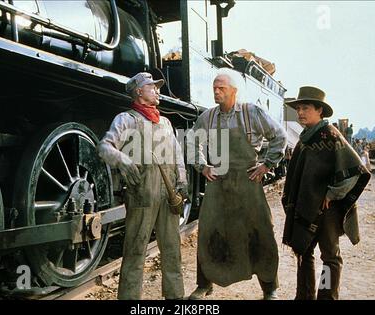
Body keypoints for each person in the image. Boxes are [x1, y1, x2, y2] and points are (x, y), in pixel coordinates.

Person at [186, 68, 287, 300]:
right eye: (214, 88)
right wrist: (202, 167)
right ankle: (203, 285)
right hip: (218, 184)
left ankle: (269, 288)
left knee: (261, 232)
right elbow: (192, 142)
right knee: (209, 232)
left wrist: (267, 165)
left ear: (234, 91)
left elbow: (279, 136)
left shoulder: (251, 113)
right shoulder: (208, 117)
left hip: (248, 182)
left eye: (221, 88)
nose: (216, 91)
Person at [98, 72, 187, 300]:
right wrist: (123, 160)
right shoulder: (126, 119)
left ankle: (175, 299)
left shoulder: (166, 122)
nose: (157, 91)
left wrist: (183, 182)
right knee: (135, 252)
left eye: (157, 87)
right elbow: (104, 147)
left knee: (172, 251)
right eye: (152, 87)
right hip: (141, 195)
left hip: (169, 196)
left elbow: (177, 156)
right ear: (139, 91)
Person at [282, 86, 371, 300]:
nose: (300, 113)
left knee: (330, 257)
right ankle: (304, 296)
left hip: (327, 209)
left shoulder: (330, 135)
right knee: (303, 252)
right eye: (299, 108)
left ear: (319, 110)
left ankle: (326, 296)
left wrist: (332, 195)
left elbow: (355, 170)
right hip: (307, 206)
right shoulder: (305, 138)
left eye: (306, 108)